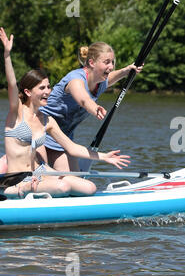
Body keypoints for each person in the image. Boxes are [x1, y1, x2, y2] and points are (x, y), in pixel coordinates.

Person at [0, 27, 130, 198]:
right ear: (28, 92)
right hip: (16, 180)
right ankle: (20, 188)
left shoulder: (47, 120)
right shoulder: (16, 113)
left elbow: (72, 148)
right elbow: (12, 84)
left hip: (38, 172)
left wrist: (104, 157)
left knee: (89, 187)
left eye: (48, 87)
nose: (48, 91)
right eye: (42, 88)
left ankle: (46, 184)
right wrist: (7, 55)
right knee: (62, 186)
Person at [39, 41, 143, 172]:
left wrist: (126, 71)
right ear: (92, 63)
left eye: (113, 62)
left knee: (76, 182)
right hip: (40, 133)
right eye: (106, 62)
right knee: (67, 183)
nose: (111, 66)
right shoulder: (76, 79)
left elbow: (109, 78)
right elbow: (83, 99)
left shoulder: (99, 81)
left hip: (64, 141)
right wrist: (95, 108)